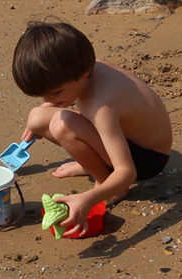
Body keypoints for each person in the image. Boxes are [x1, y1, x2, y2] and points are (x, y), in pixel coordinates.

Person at [12, 21, 172, 237]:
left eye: (56, 92)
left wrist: (88, 198)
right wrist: (41, 115)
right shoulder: (83, 68)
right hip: (128, 138)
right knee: (37, 117)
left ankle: (108, 183)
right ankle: (95, 166)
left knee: (62, 124)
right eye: (43, 94)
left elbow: (128, 171)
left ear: (84, 72)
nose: (49, 99)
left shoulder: (101, 104)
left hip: (147, 160)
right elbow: (48, 106)